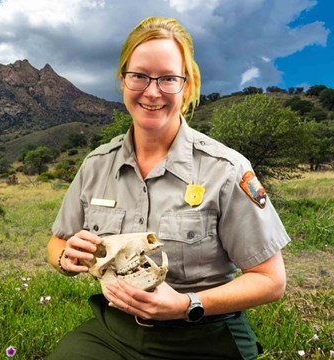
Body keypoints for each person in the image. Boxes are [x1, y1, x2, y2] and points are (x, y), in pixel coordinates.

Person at [46, 16, 290, 360]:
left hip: (203, 332)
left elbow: (270, 280)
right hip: (114, 332)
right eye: (139, 76)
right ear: (122, 81)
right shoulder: (96, 165)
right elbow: (58, 241)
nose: (152, 91)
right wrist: (66, 256)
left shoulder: (226, 169)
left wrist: (184, 304)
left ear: (186, 87)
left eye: (168, 79)